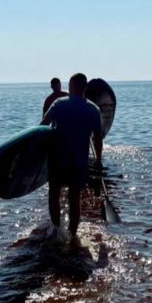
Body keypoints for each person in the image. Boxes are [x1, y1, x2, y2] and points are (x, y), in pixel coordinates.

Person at [40, 73, 103, 240]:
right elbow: (98, 139)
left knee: (54, 193)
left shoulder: (59, 104)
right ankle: (73, 235)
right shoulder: (93, 109)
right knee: (74, 198)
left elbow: (42, 126)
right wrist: (98, 160)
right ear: (85, 88)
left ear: (71, 86)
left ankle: (56, 230)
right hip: (79, 161)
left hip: (58, 160)